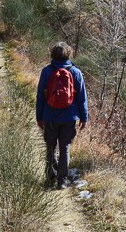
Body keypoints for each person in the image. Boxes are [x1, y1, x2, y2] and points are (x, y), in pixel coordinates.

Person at [36, 41, 88, 189]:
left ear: (53, 54)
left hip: (50, 116)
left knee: (50, 147)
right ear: (69, 54)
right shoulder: (75, 72)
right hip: (69, 117)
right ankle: (62, 180)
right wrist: (84, 118)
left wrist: (39, 117)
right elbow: (82, 97)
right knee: (64, 147)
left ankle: (50, 177)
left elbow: (40, 96)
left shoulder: (46, 71)